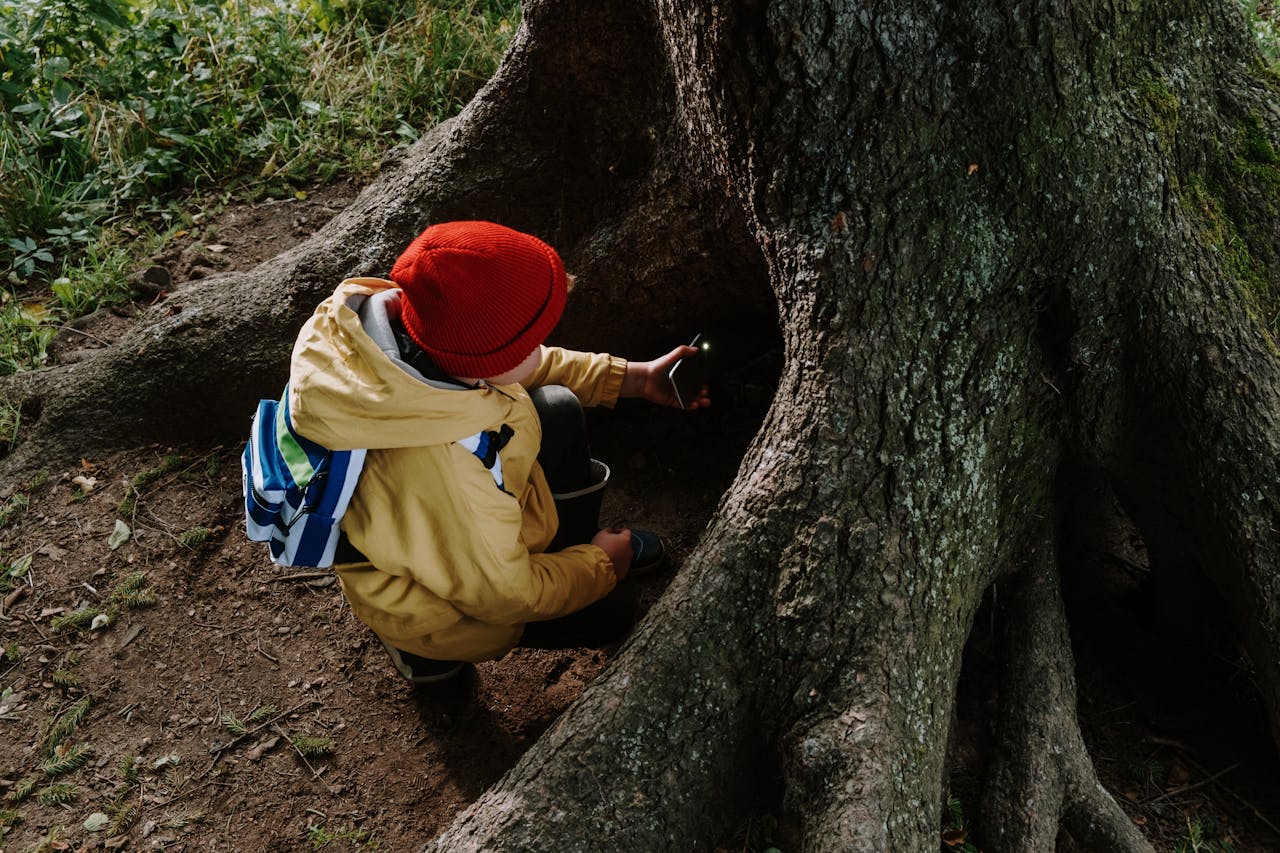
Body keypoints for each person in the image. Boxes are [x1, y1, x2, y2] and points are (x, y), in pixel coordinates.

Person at [286, 220, 707, 685]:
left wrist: (633, 378)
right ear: (487, 363)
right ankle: (421, 652)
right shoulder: (443, 471)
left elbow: (530, 363)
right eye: (529, 340)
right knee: (614, 613)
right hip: (440, 598)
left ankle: (566, 554)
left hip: (463, 534)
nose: (542, 345)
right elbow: (505, 596)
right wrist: (602, 565)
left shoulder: (409, 335)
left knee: (558, 407)